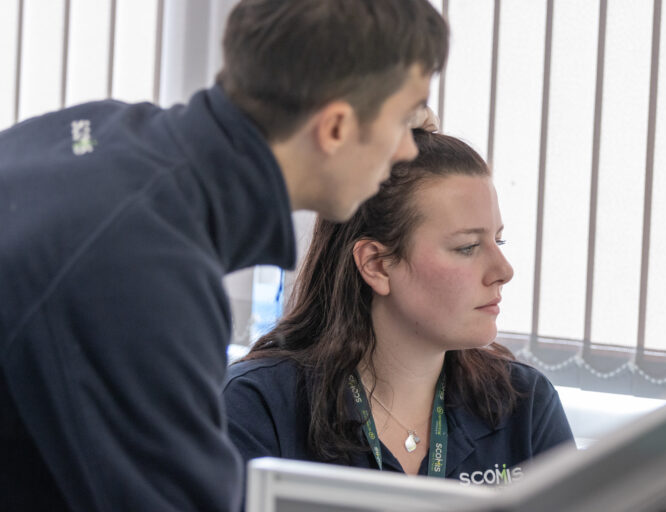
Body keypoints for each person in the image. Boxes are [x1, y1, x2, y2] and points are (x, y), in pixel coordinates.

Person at [0, 1, 448, 510]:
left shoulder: (96, 131)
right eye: (402, 119)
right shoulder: (144, 271)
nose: (408, 149)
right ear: (337, 128)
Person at [224, 128, 574, 487]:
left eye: (498, 240)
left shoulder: (525, 406)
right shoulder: (255, 407)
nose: (504, 271)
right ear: (376, 264)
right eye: (468, 247)